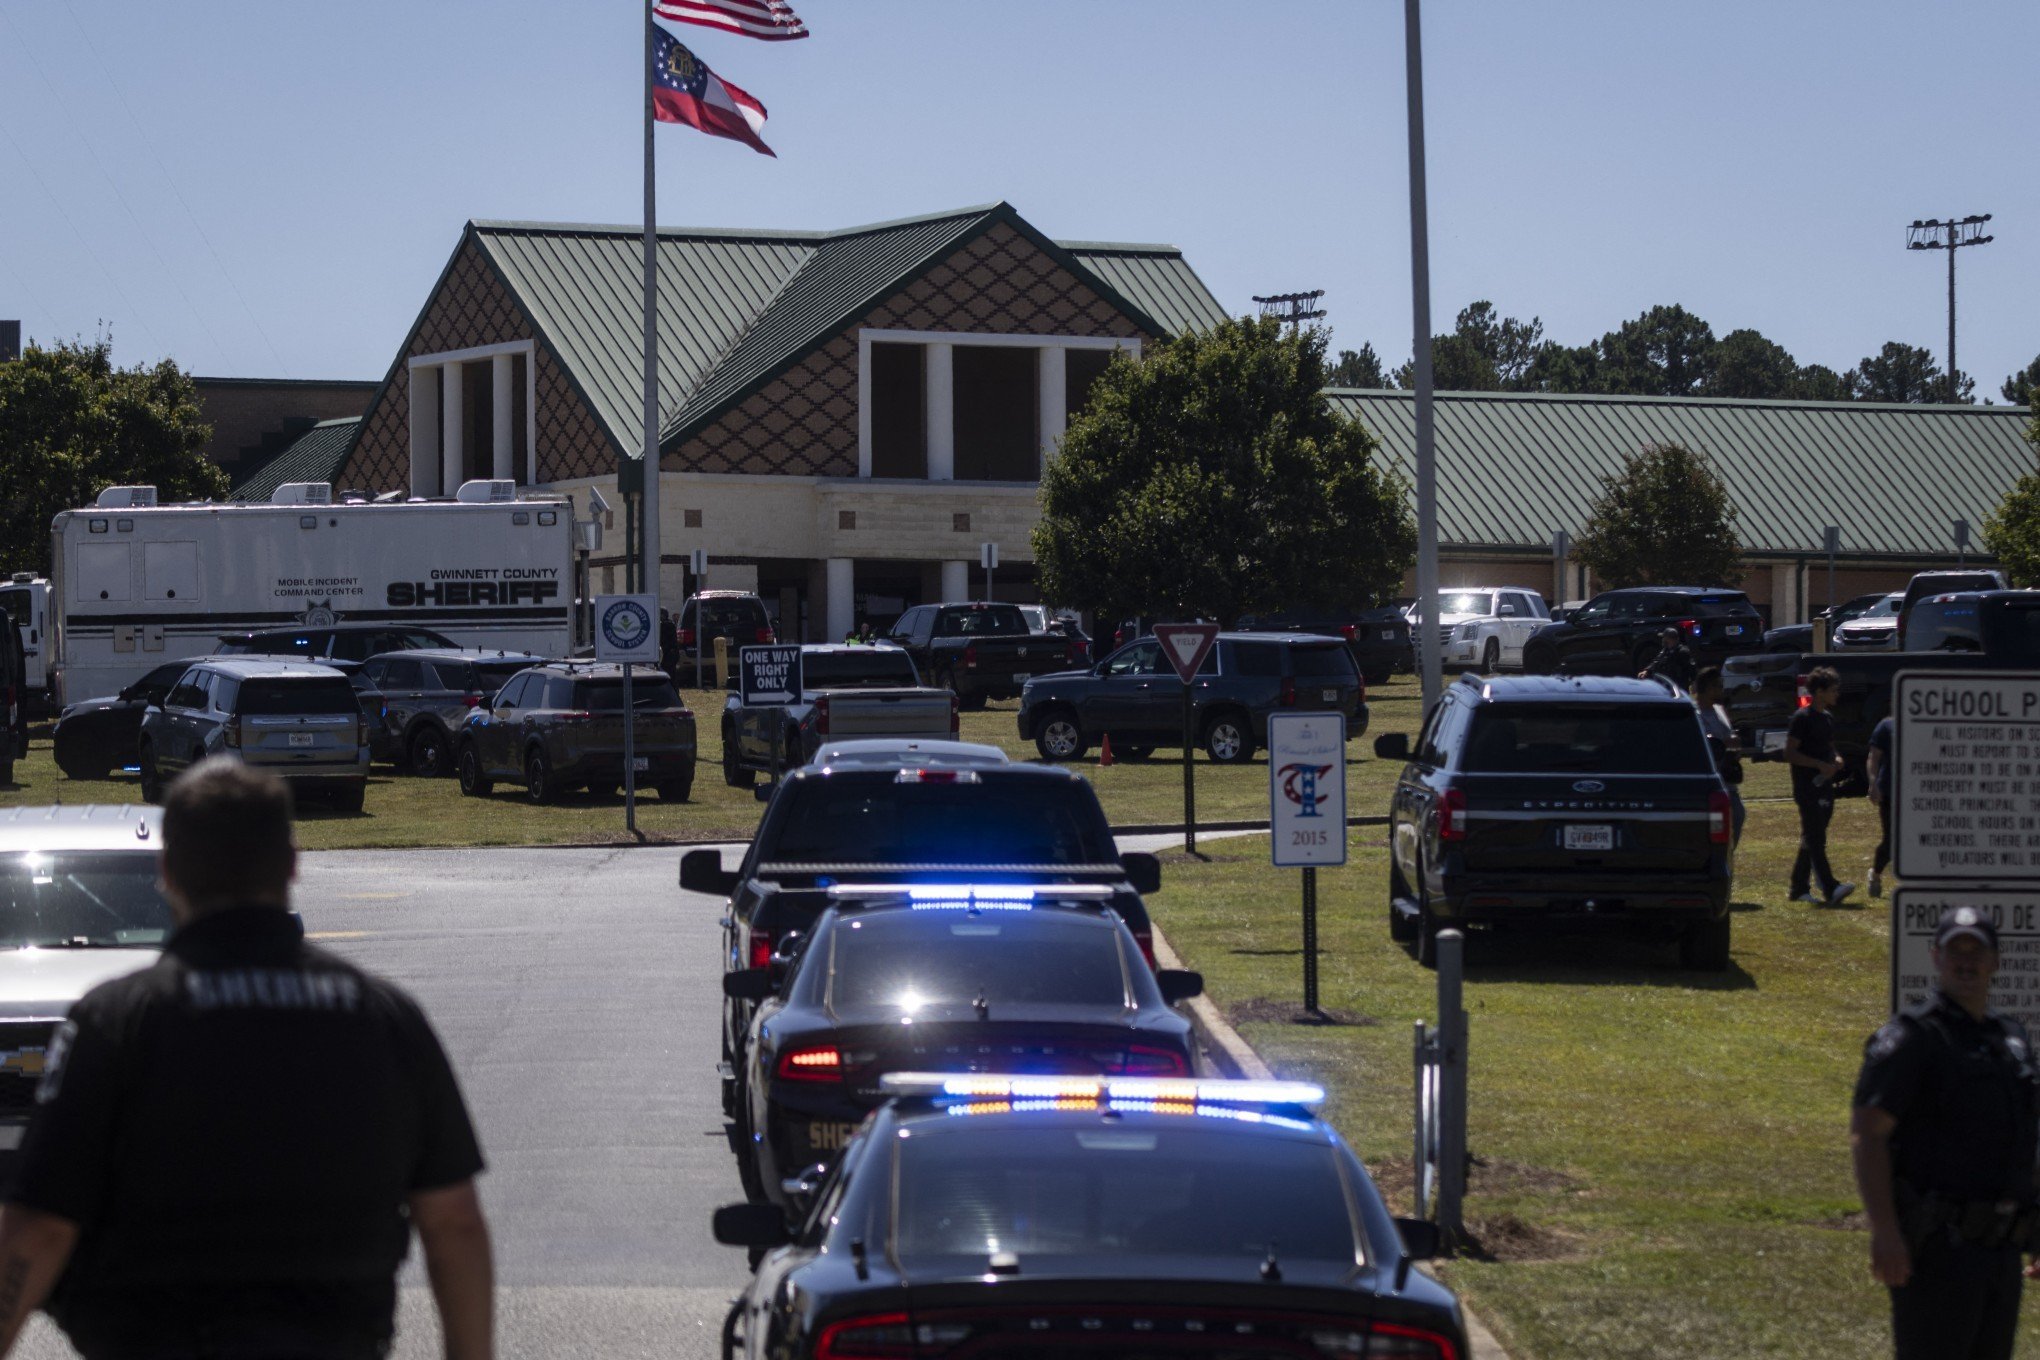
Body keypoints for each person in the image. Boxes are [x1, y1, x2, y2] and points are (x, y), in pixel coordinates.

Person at [0, 759, 493, 1359]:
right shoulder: (383, 1017)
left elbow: (40, 1228)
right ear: (291, 864)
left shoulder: (117, 1023)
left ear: (169, 872)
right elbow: (453, 1222)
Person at [1852, 906, 2040, 1360]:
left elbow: (2024, 1140)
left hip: (2001, 1251)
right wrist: (1884, 1231)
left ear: (1996, 961)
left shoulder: (2010, 1040)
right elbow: (1868, 1134)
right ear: (1935, 957)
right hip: (1937, 1251)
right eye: (1955, 951)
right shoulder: (1913, 1038)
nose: (1966, 962)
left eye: (1977, 952)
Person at [1786, 666, 1854, 905]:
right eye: (1833, 690)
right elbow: (1790, 753)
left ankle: (1798, 888)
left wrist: (1835, 758)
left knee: (1812, 836)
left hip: (1824, 786)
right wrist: (1817, 765)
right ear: (1820, 691)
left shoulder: (1827, 717)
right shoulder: (1802, 718)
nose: (1837, 694)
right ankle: (1830, 887)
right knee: (1815, 838)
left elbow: (1829, 746)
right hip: (1806, 787)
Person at [1692, 666, 1745, 846]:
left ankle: (1726, 858)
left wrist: (1735, 743)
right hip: (1712, 785)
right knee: (1717, 827)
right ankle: (1716, 858)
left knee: (1738, 815)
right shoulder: (1694, 715)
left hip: (1729, 781)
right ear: (1707, 688)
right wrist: (1722, 744)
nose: (1721, 690)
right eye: (1718, 686)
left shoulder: (1720, 710)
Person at [1868, 713, 1896, 898]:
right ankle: (1875, 874)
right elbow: (1874, 756)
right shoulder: (1886, 726)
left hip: (1916, 791)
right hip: (1890, 789)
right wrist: (1873, 783)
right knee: (1891, 840)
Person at [1640, 625, 1697, 690]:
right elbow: (1656, 661)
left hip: (1679, 685)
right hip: (1668, 683)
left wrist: (1694, 682)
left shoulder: (1683, 651)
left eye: (1664, 638)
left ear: (1670, 639)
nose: (1663, 640)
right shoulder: (1666, 650)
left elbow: (1691, 667)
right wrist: (1646, 670)